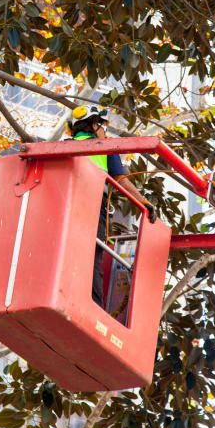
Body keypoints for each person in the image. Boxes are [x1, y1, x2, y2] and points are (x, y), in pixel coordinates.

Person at [67, 105, 157, 309]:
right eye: (101, 126)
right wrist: (144, 203)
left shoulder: (64, 145)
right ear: (94, 125)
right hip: (90, 207)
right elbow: (122, 180)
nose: (104, 131)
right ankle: (94, 307)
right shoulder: (103, 146)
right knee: (92, 258)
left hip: (64, 207)